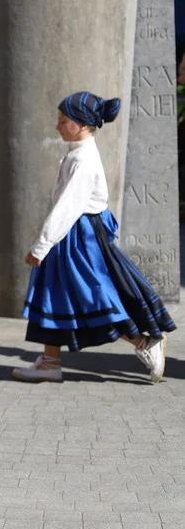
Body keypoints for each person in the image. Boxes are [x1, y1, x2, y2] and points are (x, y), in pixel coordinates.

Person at [12, 91, 174, 383]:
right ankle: (50, 361)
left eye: (64, 120)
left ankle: (145, 342)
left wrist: (41, 245)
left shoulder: (84, 159)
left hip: (80, 237)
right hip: (72, 235)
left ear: (83, 124)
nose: (58, 126)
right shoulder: (77, 152)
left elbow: (68, 207)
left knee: (92, 296)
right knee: (54, 293)